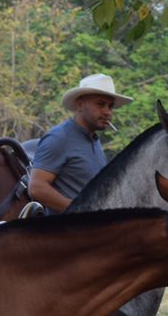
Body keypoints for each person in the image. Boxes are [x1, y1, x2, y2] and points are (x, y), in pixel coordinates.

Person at [28, 73, 131, 213]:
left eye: (110, 106)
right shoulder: (59, 138)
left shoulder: (94, 141)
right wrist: (79, 210)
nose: (108, 112)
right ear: (80, 105)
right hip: (65, 232)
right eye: (100, 104)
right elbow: (36, 188)